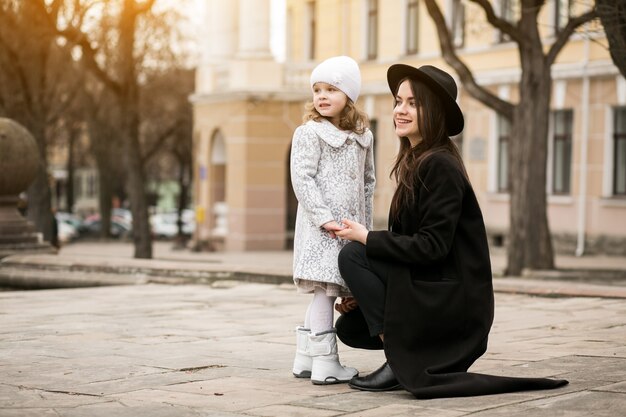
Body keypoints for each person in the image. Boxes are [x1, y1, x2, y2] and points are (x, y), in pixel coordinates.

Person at [334, 64, 568, 398]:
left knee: (354, 253)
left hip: (456, 303)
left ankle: (400, 361)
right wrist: (368, 288)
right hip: (433, 288)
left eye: (413, 103)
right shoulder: (418, 161)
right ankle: (404, 354)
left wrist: (368, 238)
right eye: (398, 101)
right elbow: (410, 247)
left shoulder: (439, 165)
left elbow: (432, 247)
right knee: (350, 326)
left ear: (435, 112)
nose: (400, 110)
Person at [289, 56, 375, 385]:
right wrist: (324, 219)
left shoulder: (363, 137)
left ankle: (305, 357)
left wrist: (363, 227)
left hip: (349, 231)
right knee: (323, 291)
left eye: (331, 89)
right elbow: (302, 179)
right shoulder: (309, 133)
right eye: (317, 89)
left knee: (324, 293)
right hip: (321, 230)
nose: (322, 96)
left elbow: (368, 183)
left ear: (349, 95)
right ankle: (326, 362)